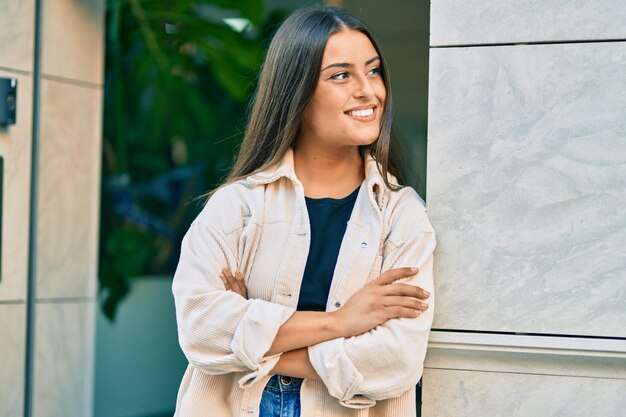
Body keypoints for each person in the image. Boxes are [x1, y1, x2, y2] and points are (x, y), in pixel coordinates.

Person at [172, 6, 435, 417]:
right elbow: (200, 328)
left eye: (373, 70)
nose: (369, 90)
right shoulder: (238, 205)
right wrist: (343, 323)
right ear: (297, 91)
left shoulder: (402, 216)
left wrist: (258, 341)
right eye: (341, 75)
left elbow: (396, 360)